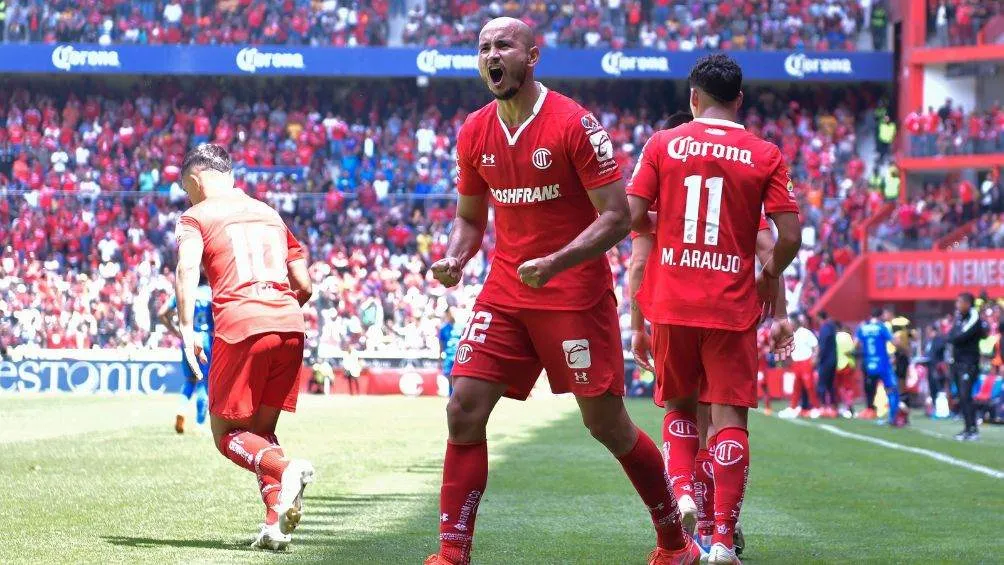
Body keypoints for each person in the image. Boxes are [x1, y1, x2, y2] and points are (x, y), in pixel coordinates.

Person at [426, 17, 702, 565]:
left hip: (573, 293)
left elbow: (618, 218)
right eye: (483, 48)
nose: (491, 55)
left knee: (606, 424)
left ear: (532, 56)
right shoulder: (474, 130)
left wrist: (555, 262)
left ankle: (675, 543)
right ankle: (452, 554)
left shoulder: (575, 124)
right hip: (506, 290)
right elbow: (469, 218)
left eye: (503, 45)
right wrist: (456, 256)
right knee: (463, 409)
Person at [627, 53, 802, 565]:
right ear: (740, 100)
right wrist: (769, 279)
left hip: (672, 301)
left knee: (680, 408)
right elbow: (787, 235)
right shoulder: (765, 153)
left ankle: (683, 494)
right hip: (730, 305)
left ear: (692, 98)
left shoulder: (662, 144)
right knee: (729, 419)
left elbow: (634, 215)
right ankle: (723, 539)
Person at [174, 143, 316, 550]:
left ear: (196, 180)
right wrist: (279, 312)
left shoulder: (196, 216)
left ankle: (287, 469)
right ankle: (274, 524)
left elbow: (187, 268)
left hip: (241, 324)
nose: (188, 196)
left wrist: (186, 329)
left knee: (226, 433)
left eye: (187, 188)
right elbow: (304, 284)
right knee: (261, 432)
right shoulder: (270, 214)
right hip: (290, 322)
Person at [159, 277, 214, 434]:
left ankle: (181, 410)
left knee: (190, 379)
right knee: (204, 381)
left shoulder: (183, 292)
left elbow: (162, 313)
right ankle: (200, 424)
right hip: (205, 340)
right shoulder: (211, 293)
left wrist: (175, 331)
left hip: (188, 338)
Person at [948, 292, 988, 441]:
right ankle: (967, 428)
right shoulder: (959, 318)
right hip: (958, 362)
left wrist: (954, 337)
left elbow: (959, 337)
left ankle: (973, 430)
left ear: (967, 303)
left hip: (968, 363)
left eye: (959, 302)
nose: (957, 305)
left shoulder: (973, 317)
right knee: (961, 396)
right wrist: (953, 337)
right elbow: (951, 335)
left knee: (966, 395)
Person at [855, 309, 901, 426]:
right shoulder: (881, 327)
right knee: (892, 389)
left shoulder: (863, 328)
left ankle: (870, 410)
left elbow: (855, 344)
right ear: (880, 316)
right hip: (882, 363)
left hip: (868, 363)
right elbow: (895, 342)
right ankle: (892, 417)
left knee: (870, 389)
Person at [779, 315, 820, 419]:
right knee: (796, 387)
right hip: (796, 363)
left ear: (795, 323)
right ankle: (793, 407)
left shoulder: (805, 332)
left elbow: (816, 346)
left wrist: (814, 358)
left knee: (809, 386)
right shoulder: (791, 334)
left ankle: (816, 408)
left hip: (806, 362)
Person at [815, 311, 838, 418]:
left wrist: (817, 358)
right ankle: (833, 408)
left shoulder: (825, 328)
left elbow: (822, 345)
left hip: (826, 360)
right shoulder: (832, 327)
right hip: (833, 359)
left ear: (819, 317)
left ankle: (824, 408)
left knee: (822, 384)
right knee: (830, 385)